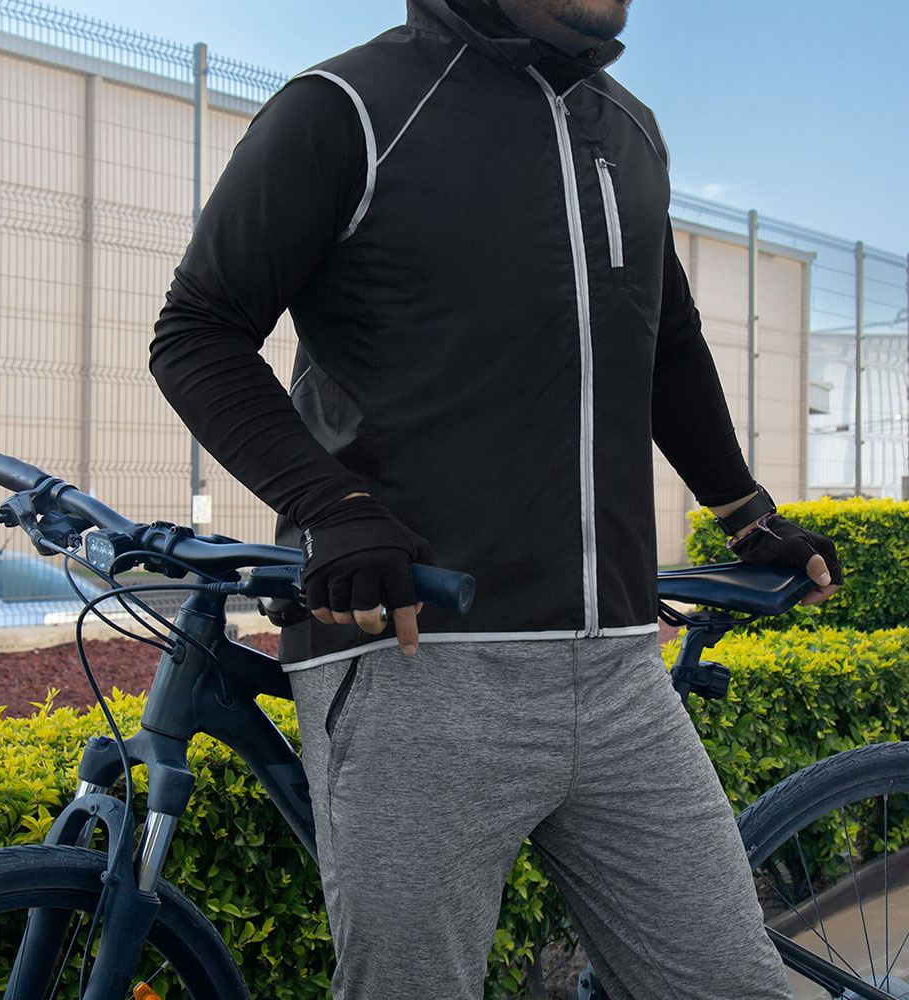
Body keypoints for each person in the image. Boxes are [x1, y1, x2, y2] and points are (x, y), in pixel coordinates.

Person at [149, 1, 842, 997]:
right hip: (416, 660)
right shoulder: (345, 106)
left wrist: (744, 512)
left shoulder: (631, 132)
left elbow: (666, 340)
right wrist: (332, 504)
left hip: (618, 665)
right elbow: (198, 330)